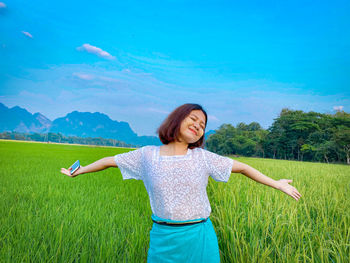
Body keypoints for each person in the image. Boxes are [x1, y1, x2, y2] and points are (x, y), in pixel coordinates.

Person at [60, 103, 301, 263]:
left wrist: (277, 183)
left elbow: (244, 168)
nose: (198, 125)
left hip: (199, 236)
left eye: (203, 125)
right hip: (164, 238)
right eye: (193, 119)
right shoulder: (146, 155)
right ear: (177, 119)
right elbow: (109, 161)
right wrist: (80, 170)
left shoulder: (203, 158)